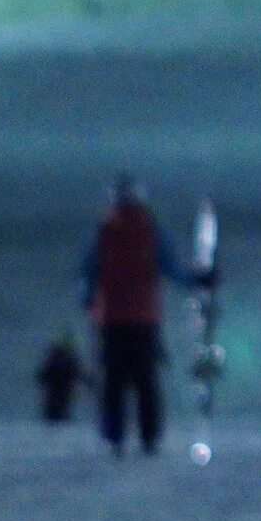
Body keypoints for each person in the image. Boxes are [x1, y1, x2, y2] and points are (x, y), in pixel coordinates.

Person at [81, 176, 202, 456]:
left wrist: (90, 305)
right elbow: (172, 269)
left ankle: (115, 437)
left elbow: (88, 275)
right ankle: (150, 437)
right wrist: (198, 280)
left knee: (113, 382)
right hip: (145, 317)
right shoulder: (152, 232)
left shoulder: (104, 233)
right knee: (146, 381)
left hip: (110, 319)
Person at [36, 332, 90, 425]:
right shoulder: (65, 358)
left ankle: (54, 426)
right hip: (60, 389)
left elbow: (44, 374)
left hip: (59, 390)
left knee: (57, 410)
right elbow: (78, 372)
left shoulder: (56, 358)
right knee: (58, 410)